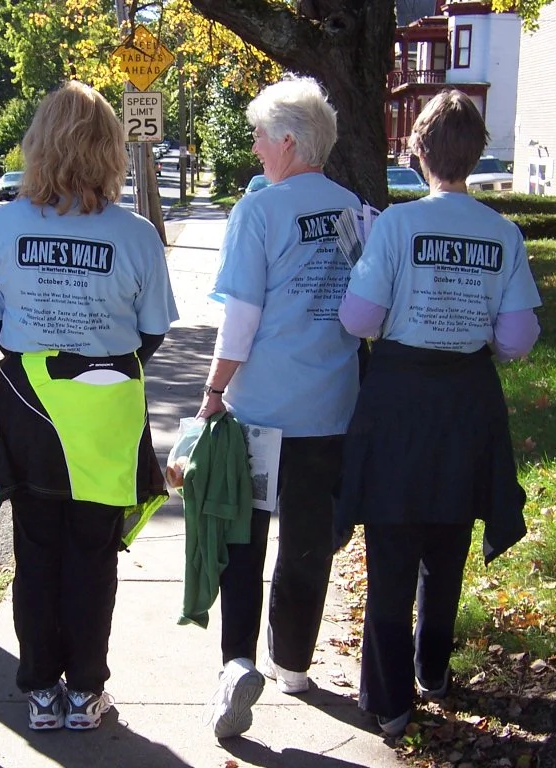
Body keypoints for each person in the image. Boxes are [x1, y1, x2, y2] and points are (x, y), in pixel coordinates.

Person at [0, 80, 178, 732]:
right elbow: (151, 336)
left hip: (31, 411)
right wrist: (98, 358)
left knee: (35, 555)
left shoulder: (8, 225)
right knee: (93, 556)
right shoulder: (135, 235)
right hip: (106, 416)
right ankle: (85, 691)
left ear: (38, 146)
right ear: (111, 150)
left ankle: (39, 691)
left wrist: (44, 360)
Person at [336, 89, 541, 737]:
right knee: (446, 545)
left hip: (398, 402)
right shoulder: (502, 233)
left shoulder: (394, 226)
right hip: (465, 403)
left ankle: (392, 702)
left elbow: (359, 320)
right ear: (477, 155)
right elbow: (514, 340)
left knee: (392, 549)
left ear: (418, 151)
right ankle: (433, 670)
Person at [196, 74, 364, 740]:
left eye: (261, 135)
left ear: (289, 140)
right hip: (329, 406)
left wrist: (213, 391)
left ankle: (237, 661)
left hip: (258, 409)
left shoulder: (259, 213)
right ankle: (292, 663)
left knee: (243, 539)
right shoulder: (354, 208)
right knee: (306, 543)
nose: (255, 147)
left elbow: (241, 317)